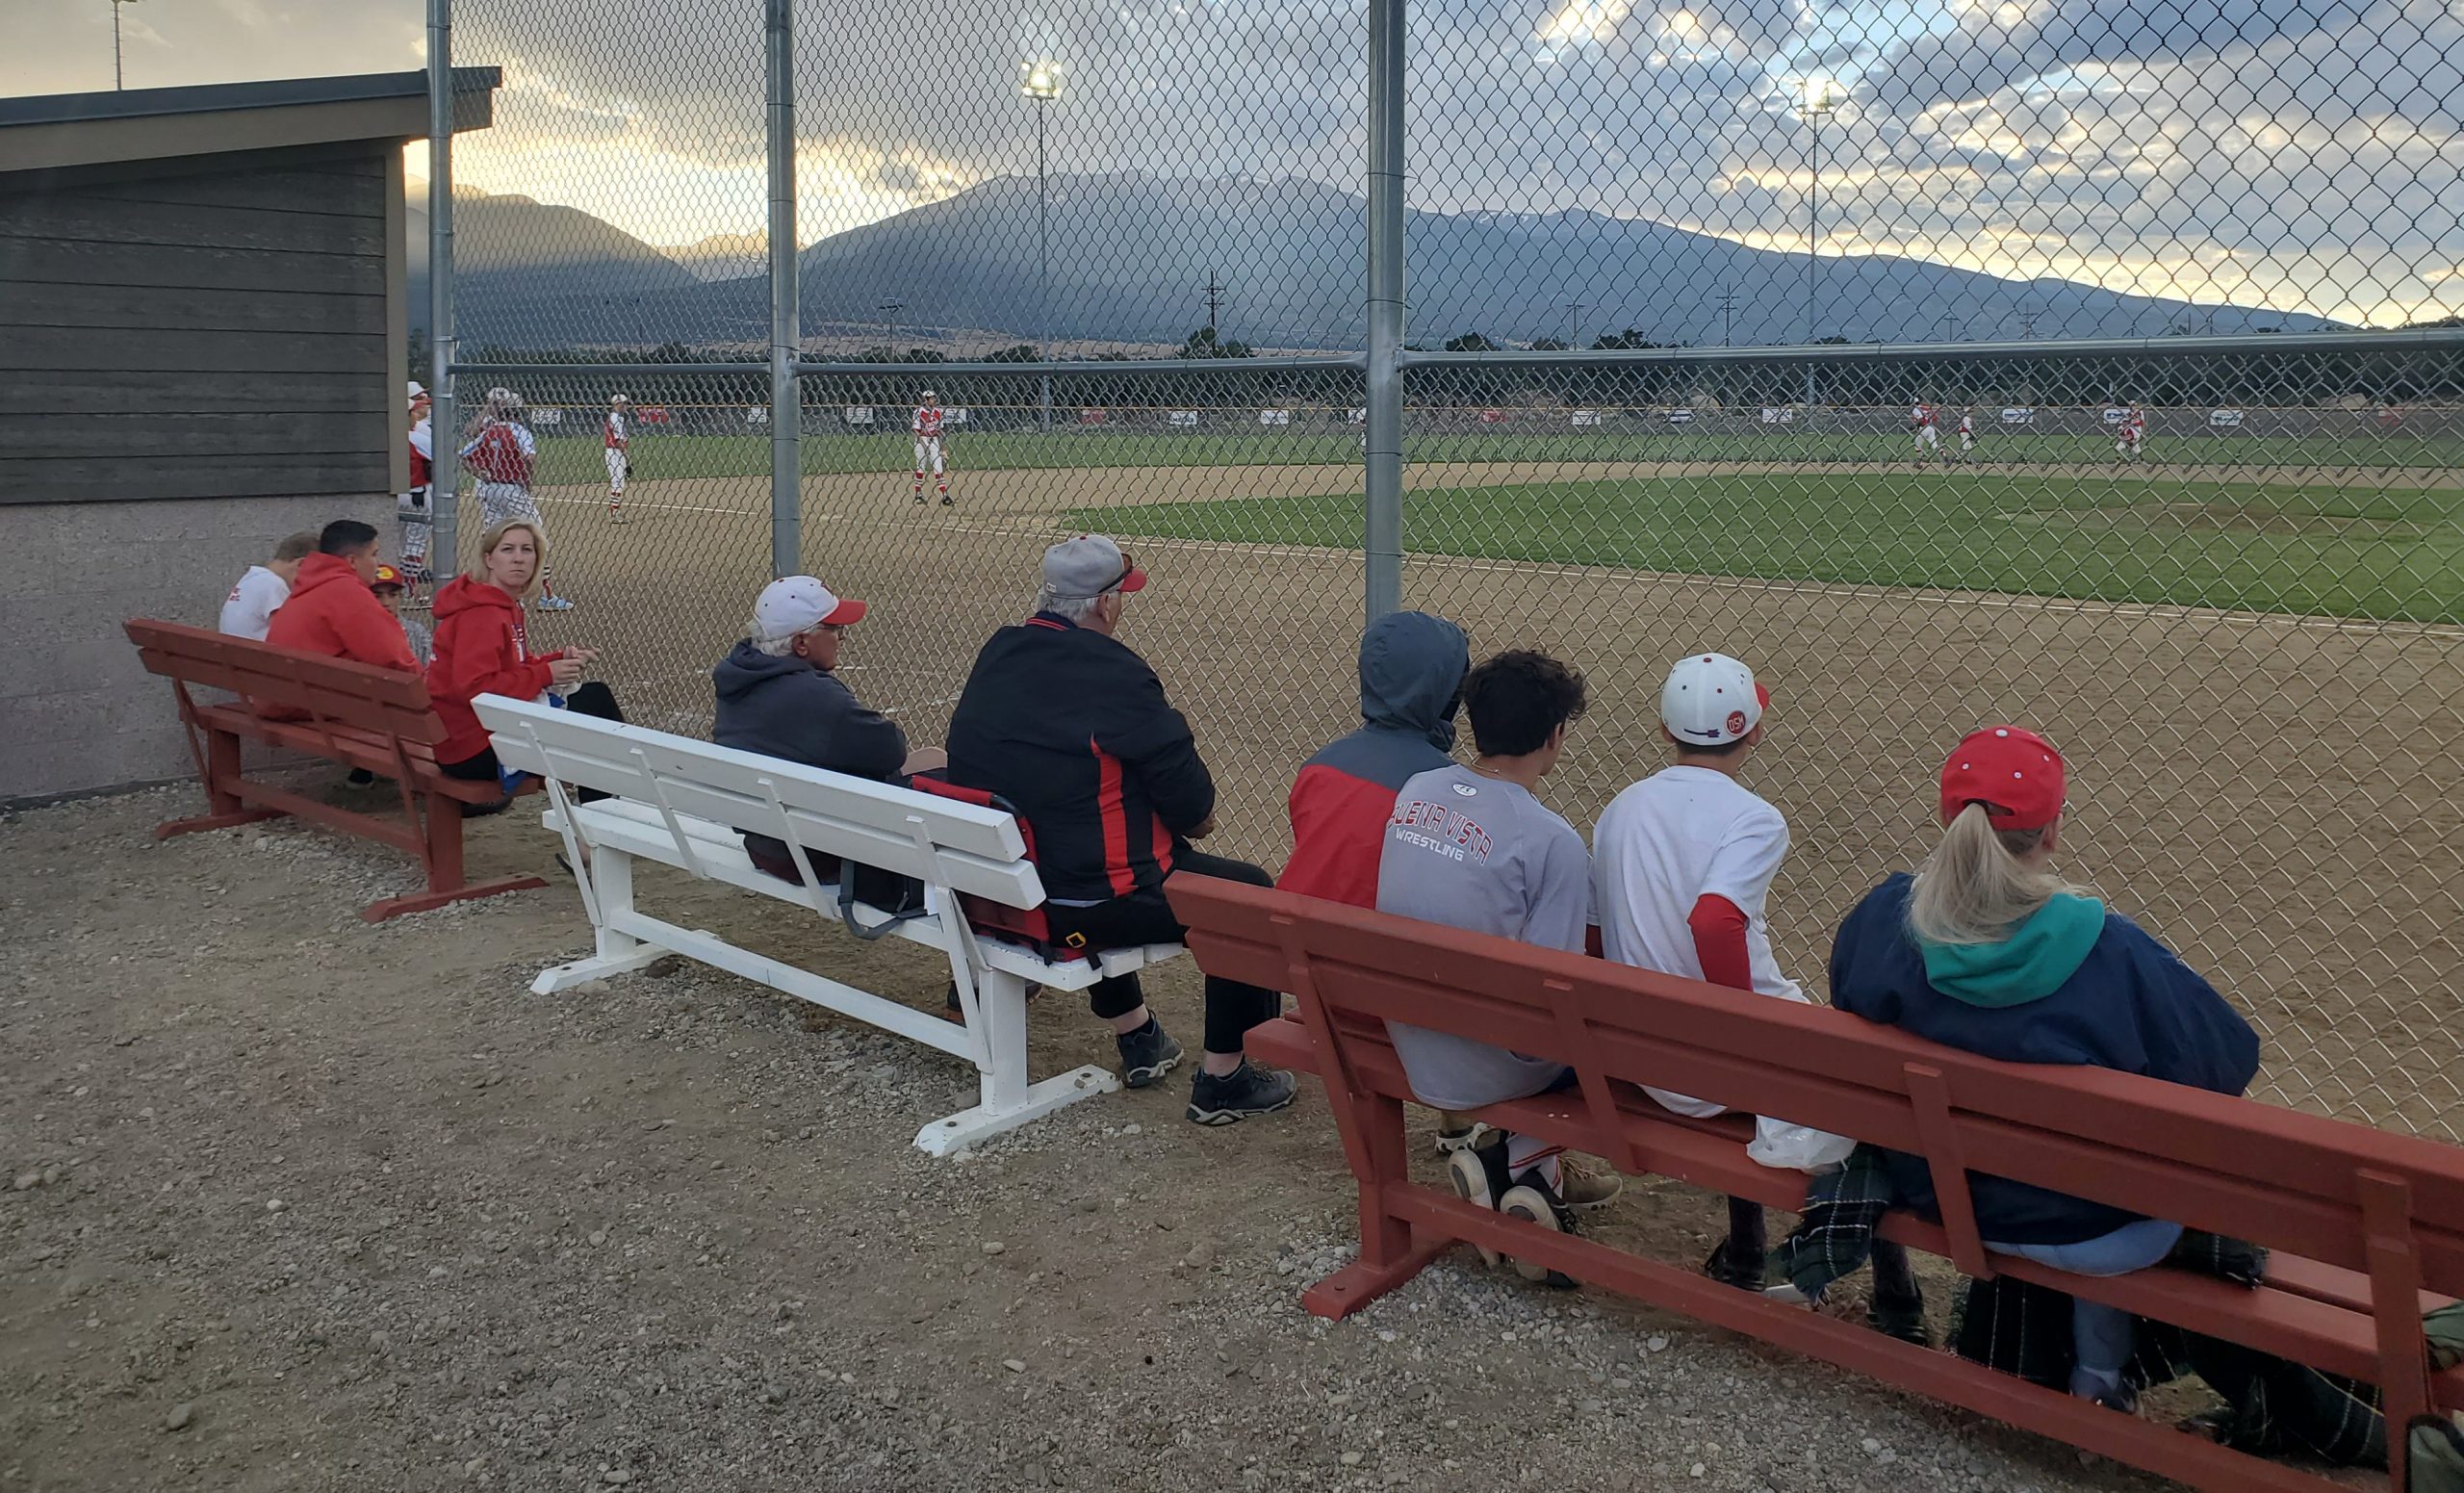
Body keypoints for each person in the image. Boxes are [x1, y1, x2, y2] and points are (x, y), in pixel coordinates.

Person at [1830, 725, 2260, 1408]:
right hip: (2097, 1230)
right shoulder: (2110, 948)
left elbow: (1847, 1001)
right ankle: (2099, 1380)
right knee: (2113, 1178)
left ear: (1948, 820)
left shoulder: (1885, 917)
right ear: (2052, 831)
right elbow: (2225, 1067)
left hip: (1941, 1193)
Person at [1592, 651, 1920, 1323]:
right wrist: (1738, 1025)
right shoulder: (1755, 817)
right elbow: (1714, 919)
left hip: (1638, 1052)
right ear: (1755, 733)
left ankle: (1744, 1249)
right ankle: (1897, 1295)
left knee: (1760, 1040)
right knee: (1875, 1085)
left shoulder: (1619, 809)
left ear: (1664, 730)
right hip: (1720, 1063)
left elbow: (1597, 940)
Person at [945, 533, 1294, 1123]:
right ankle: (1225, 1080)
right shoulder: (1116, 671)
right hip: (1075, 904)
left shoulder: (1001, 649)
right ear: (1105, 604)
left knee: (1091, 838)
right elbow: (1193, 809)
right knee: (1248, 894)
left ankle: (1139, 1038)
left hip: (1003, 886)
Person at [1377, 650, 1620, 1282]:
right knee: (1601, 1034)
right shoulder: (1552, 841)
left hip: (1408, 1034)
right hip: (1488, 1063)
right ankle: (1521, 1161)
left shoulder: (1416, 790)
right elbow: (1552, 992)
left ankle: (1522, 1170)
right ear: (1555, 735)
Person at [1279, 609, 1483, 1151]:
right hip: (1392, 996)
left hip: (1314, 979)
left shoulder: (1319, 767)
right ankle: (1472, 1132)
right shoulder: (1443, 788)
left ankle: (1456, 1126)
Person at [712, 576, 944, 885]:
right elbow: (891, 749)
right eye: (833, 629)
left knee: (928, 757)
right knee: (939, 769)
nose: (843, 637)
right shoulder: (813, 694)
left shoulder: (738, 679)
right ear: (801, 643)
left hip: (765, 842)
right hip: (817, 855)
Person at [427, 519, 619, 808]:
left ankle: (598, 825)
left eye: (527, 550)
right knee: (595, 711)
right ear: (489, 559)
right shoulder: (482, 615)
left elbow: (511, 667)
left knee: (594, 709)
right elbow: (473, 688)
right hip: (472, 749)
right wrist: (545, 673)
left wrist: (556, 661)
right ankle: (599, 829)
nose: (518, 558)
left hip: (470, 736)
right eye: (508, 549)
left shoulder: (502, 604)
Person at [461, 387, 572, 610]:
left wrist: (480, 473)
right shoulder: (520, 431)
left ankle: (492, 591)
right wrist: (527, 481)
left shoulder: (489, 431)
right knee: (537, 538)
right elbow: (529, 457)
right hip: (512, 490)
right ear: (518, 412)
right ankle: (546, 596)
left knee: (495, 541)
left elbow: (463, 455)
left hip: (490, 489)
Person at [262, 520, 418, 673]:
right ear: (352, 561)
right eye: (374, 554)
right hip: (321, 693)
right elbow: (392, 656)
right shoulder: (345, 591)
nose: (379, 562)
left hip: (290, 689)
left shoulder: (311, 585)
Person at [218, 529, 317, 641]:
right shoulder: (275, 585)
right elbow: (288, 634)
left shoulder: (251, 578)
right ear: (301, 564)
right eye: (315, 573)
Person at [401, 382, 434, 589]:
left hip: (394, 496)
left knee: (397, 543)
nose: (416, 415)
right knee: (415, 544)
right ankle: (409, 591)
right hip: (418, 495)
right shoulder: (418, 438)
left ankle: (395, 587)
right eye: (412, 412)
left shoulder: (388, 438)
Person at [370, 563, 432, 667]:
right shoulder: (360, 632)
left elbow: (430, 670)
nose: (386, 602)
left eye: (393, 595)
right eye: (377, 596)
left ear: (400, 596)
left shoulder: (417, 632)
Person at [911, 389, 950, 506]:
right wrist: (924, 445)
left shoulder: (938, 412)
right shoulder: (918, 412)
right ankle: (918, 494)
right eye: (931, 398)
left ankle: (944, 496)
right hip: (921, 440)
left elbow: (938, 430)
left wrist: (942, 447)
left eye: (934, 398)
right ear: (925, 400)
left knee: (938, 467)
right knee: (921, 467)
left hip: (934, 440)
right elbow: (915, 430)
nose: (933, 400)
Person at [603, 393, 630, 523]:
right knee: (618, 482)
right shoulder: (616, 418)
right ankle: (614, 513)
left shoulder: (617, 417)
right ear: (617, 404)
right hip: (615, 452)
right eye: (624, 403)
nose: (626, 405)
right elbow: (618, 440)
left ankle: (615, 511)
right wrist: (626, 455)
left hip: (615, 452)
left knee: (619, 482)